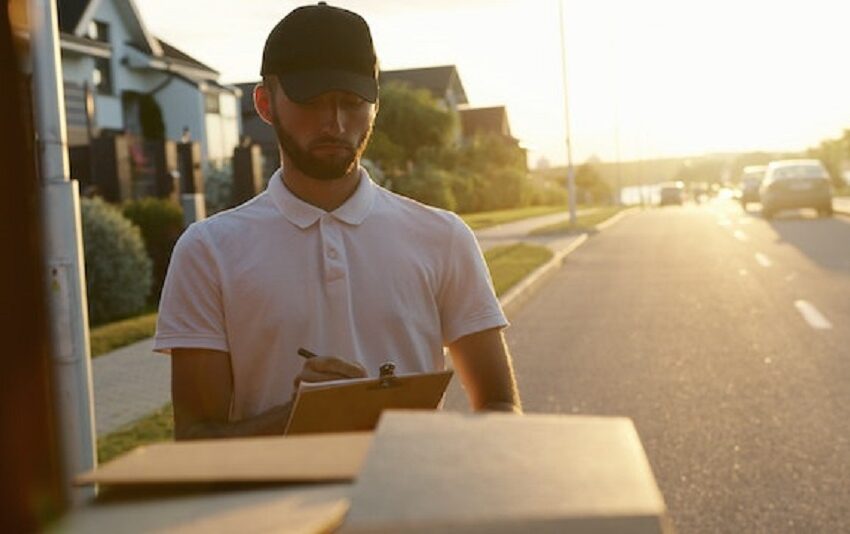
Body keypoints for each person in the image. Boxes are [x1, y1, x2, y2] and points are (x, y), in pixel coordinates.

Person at [155, 2, 522, 440]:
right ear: (265, 102)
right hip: (270, 509)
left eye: (352, 102)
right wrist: (304, 416)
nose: (334, 122)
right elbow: (194, 439)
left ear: (375, 104)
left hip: (412, 502)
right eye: (311, 100)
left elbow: (500, 406)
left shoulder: (443, 237)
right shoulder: (209, 251)